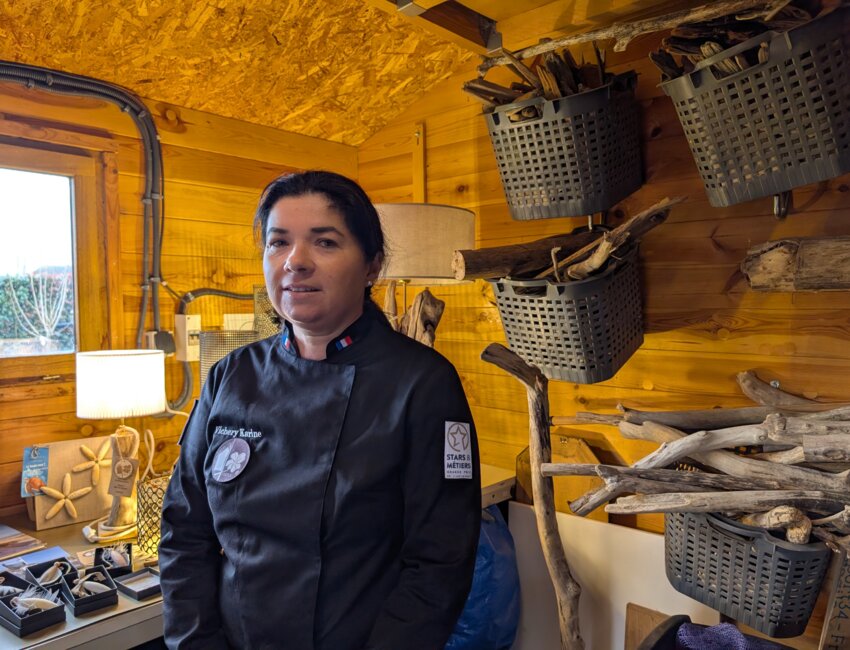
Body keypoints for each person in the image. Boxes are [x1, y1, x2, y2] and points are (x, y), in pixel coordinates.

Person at [159, 171, 481, 650]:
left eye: (325, 242)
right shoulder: (231, 376)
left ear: (372, 265)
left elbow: (439, 565)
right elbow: (184, 531)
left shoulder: (423, 384)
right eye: (278, 242)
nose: (295, 262)